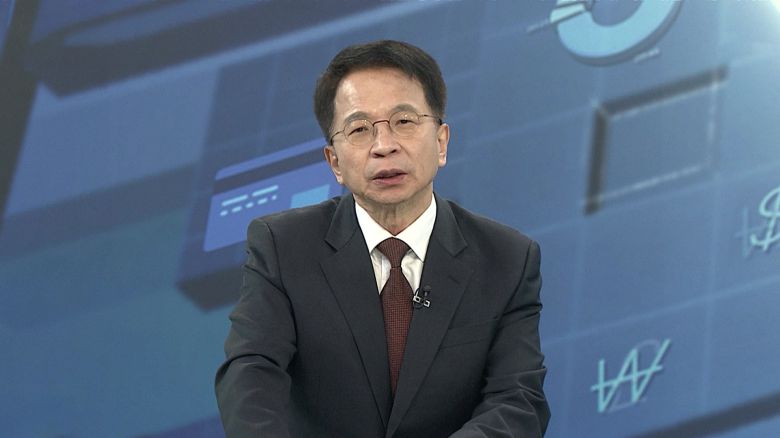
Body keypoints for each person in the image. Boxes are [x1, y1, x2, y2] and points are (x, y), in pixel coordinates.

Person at [215, 40, 550, 437]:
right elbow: (250, 372)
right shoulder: (283, 247)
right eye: (359, 129)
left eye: (404, 121)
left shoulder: (507, 259)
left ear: (441, 142)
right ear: (334, 162)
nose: (384, 146)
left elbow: (517, 399)